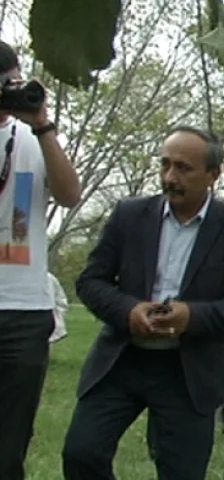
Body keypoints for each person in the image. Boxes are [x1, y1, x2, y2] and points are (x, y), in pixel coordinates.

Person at [61, 126, 224, 480]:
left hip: (189, 370)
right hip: (123, 359)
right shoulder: (129, 215)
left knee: (181, 473)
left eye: (183, 168)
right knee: (81, 453)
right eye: (165, 165)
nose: (170, 177)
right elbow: (90, 281)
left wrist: (193, 316)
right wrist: (128, 311)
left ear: (213, 176)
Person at [0, 40, 82, 480]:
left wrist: (43, 125)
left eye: (8, 83)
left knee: (10, 444)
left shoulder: (33, 140)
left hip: (24, 311)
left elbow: (71, 195)